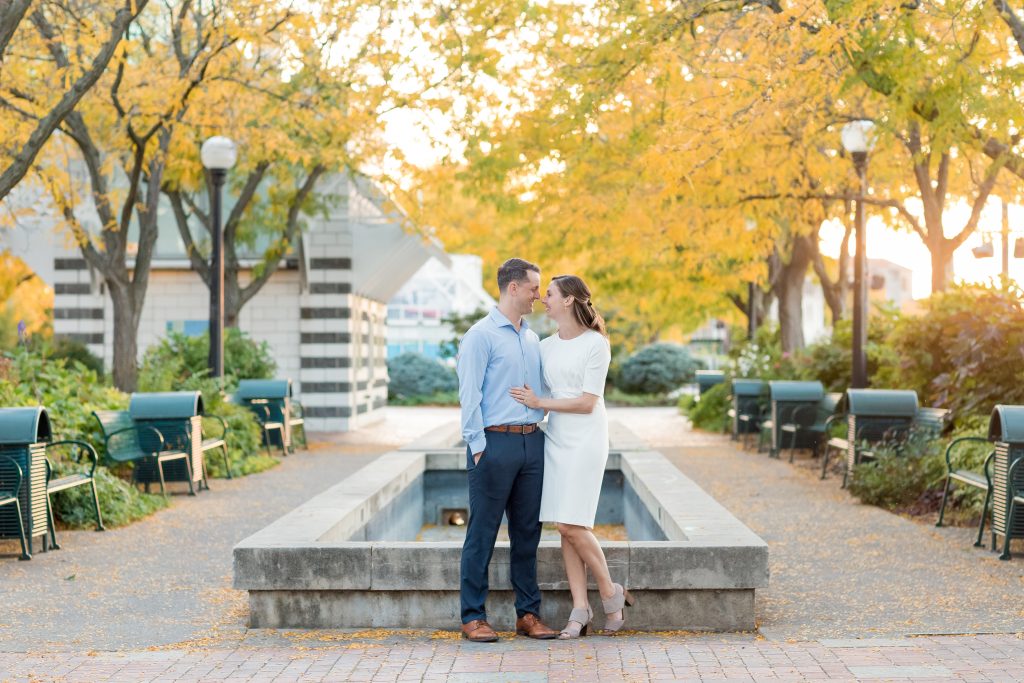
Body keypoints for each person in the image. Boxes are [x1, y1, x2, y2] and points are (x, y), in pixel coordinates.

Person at [509, 274, 634, 638]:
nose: (542, 299)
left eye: (548, 294)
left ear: (568, 300)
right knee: (565, 525)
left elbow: (585, 402)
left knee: (571, 525)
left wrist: (539, 403)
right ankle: (581, 608)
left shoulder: (597, 344)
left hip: (587, 437)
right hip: (557, 438)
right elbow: (533, 389)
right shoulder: (545, 346)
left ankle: (610, 593)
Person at [455, 258, 559, 643]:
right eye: (534, 287)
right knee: (481, 533)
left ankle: (528, 615)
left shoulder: (531, 338)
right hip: (493, 443)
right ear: (512, 288)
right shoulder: (480, 336)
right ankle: (473, 617)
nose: (539, 295)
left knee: (528, 533)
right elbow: (469, 396)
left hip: (532, 442)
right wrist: (478, 447)